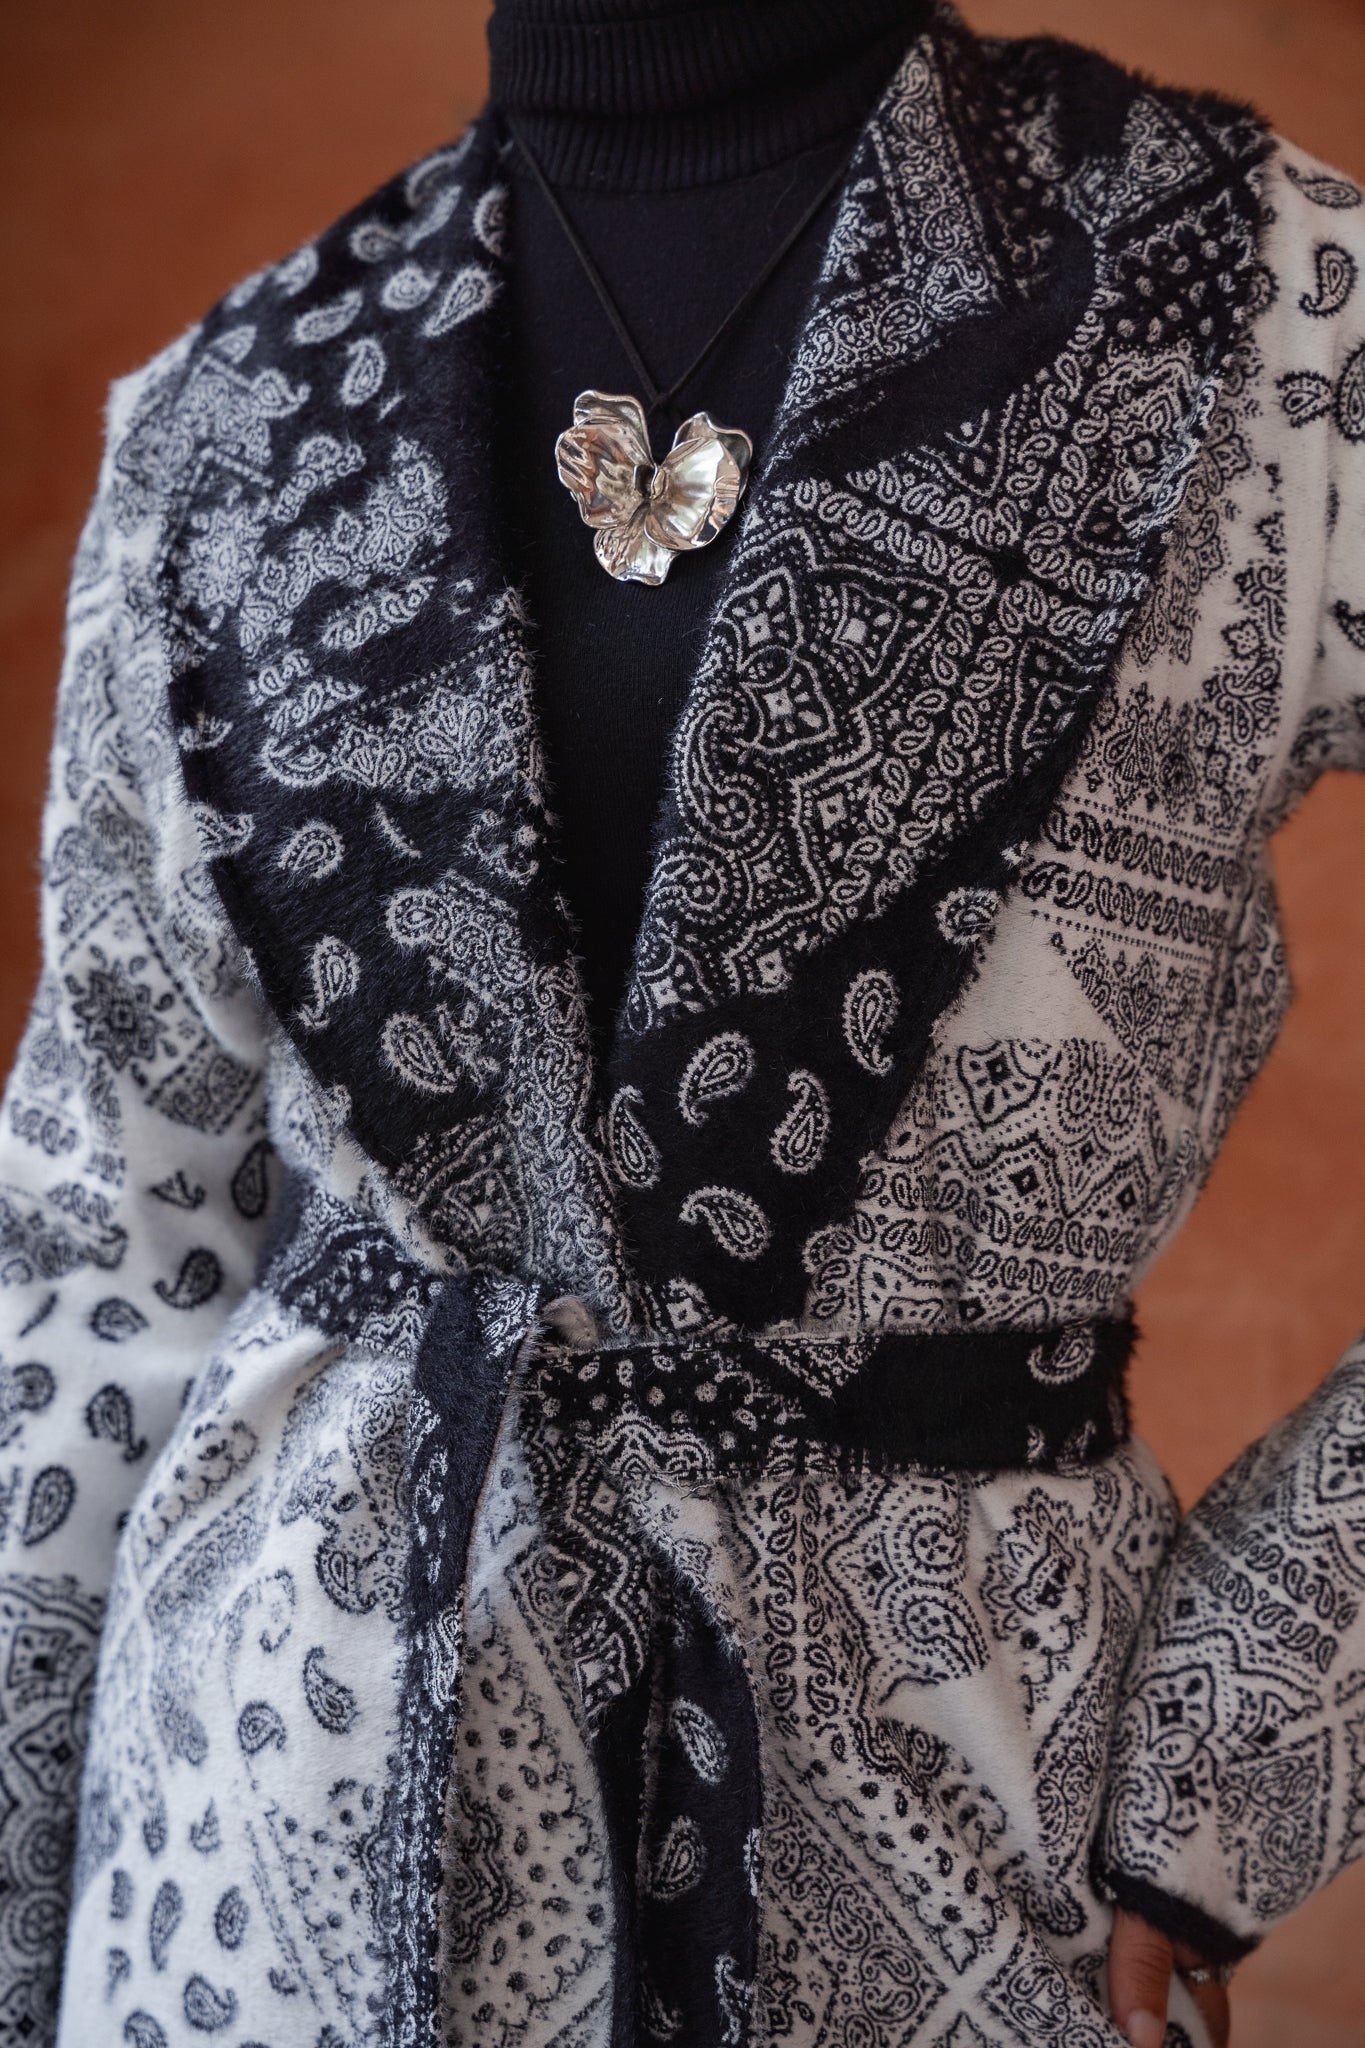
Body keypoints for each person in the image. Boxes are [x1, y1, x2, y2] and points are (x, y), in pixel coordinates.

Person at [2, 2, 1363, 2043]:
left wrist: (1234, 1733)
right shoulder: (231, 417)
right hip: (257, 1864)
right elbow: (95, 1255)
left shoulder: (1259, 308)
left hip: (961, 1839)